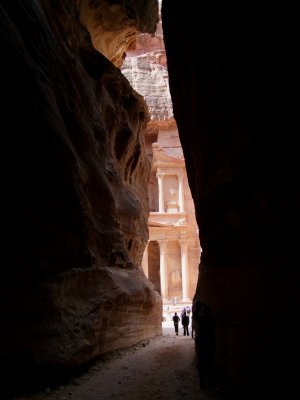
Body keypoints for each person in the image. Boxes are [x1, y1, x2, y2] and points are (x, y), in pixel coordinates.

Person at [192, 299, 215, 388]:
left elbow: (195, 315)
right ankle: (210, 382)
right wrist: (206, 306)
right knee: (210, 364)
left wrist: (200, 306)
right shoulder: (212, 321)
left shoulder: (202, 321)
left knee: (202, 363)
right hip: (210, 345)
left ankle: (202, 382)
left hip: (202, 344)